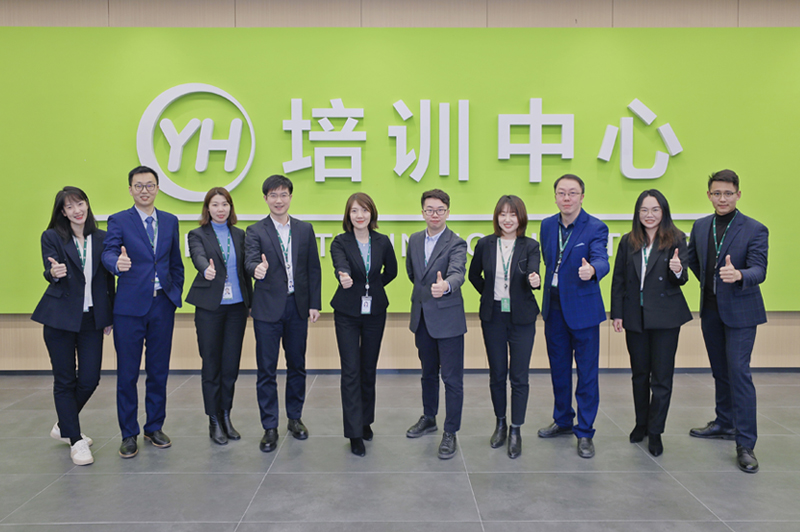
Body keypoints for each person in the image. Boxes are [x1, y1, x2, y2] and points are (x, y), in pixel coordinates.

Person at [685, 169, 768, 473]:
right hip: (710, 310)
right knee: (720, 371)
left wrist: (738, 275)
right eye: (717, 193)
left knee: (739, 373)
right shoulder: (701, 226)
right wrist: (712, 285)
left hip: (742, 313)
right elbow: (694, 261)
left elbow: (759, 270)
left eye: (728, 193)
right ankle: (724, 422)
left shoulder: (755, 229)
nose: (722, 198)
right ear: (709, 195)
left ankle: (745, 444)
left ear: (738, 195)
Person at [101, 166, 184, 459]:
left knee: (158, 371)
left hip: (162, 304)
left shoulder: (170, 221)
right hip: (129, 308)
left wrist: (174, 293)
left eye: (149, 185)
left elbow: (175, 262)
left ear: (158, 188)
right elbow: (108, 252)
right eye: (139, 186)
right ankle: (128, 433)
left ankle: (154, 426)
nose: (144, 190)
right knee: (127, 374)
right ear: (130, 190)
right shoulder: (119, 220)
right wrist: (116, 264)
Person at [31, 187, 115, 466]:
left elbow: (108, 281)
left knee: (90, 379)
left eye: (80, 203)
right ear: (63, 212)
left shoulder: (102, 238)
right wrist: (52, 273)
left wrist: (108, 315)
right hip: (60, 319)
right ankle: (76, 440)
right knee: (65, 380)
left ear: (87, 205)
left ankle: (64, 425)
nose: (77, 210)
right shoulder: (52, 237)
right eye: (69, 207)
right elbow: (49, 268)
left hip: (92, 318)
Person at [610, 189, 692, 457]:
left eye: (655, 209)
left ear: (663, 212)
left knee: (662, 377)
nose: (649, 215)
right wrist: (617, 313)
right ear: (637, 213)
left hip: (666, 317)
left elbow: (682, 279)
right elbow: (619, 279)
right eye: (644, 210)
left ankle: (656, 431)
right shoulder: (628, 241)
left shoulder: (677, 238)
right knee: (639, 374)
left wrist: (678, 270)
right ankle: (641, 424)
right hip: (635, 316)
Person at [245, 174, 321, 453]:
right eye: (273, 195)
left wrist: (314, 303)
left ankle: (295, 418)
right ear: (265, 198)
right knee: (266, 369)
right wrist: (257, 269)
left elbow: (313, 268)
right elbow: (249, 260)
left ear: (290, 196)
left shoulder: (304, 229)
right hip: (267, 309)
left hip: (297, 307)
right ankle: (269, 426)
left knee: (297, 365)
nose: (279, 200)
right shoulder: (255, 230)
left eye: (283, 194)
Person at [538, 174, 609, 459]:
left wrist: (592, 270)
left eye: (572, 193)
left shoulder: (595, 227)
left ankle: (585, 431)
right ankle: (563, 420)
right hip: (554, 308)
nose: (566, 198)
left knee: (587, 374)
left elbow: (601, 258)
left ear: (582, 196)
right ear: (555, 196)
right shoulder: (546, 226)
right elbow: (548, 261)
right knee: (559, 370)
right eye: (561, 193)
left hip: (583, 311)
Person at [468, 195, 540, 459]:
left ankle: (516, 429)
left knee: (519, 376)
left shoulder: (530, 245)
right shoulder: (485, 244)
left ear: (521, 218)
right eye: (503, 214)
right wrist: (489, 295)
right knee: (497, 373)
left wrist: (534, 280)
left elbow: (533, 273)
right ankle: (500, 423)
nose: (507, 219)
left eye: (513, 214)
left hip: (522, 317)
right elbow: (474, 275)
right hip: (494, 316)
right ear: (496, 217)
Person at [330, 193, 398, 457]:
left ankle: (366, 420)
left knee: (368, 368)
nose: (360, 215)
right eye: (354, 211)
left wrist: (373, 287)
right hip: (346, 312)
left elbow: (391, 271)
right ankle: (354, 433)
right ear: (348, 215)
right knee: (351, 371)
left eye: (365, 210)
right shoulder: (340, 241)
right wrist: (344, 276)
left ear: (372, 213)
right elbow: (340, 264)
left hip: (375, 311)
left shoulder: (382, 241)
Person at [186, 187, 253, 445]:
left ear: (230, 207)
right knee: (211, 365)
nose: (220, 209)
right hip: (209, 309)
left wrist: (251, 304)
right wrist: (206, 269)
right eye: (215, 204)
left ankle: (226, 416)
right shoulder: (197, 234)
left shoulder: (240, 234)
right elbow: (198, 256)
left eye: (225, 204)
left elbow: (245, 271)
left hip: (237, 308)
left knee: (230, 366)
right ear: (207, 208)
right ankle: (213, 420)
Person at [405, 189, 467, 460]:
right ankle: (429, 417)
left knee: (452, 379)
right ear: (422, 212)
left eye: (440, 210)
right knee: (427, 373)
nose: (434, 214)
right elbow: (413, 274)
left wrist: (446, 286)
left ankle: (450, 431)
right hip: (422, 318)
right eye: (429, 209)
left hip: (448, 320)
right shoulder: (415, 240)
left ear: (448, 213)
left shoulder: (456, 243)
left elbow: (458, 273)